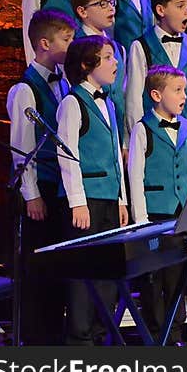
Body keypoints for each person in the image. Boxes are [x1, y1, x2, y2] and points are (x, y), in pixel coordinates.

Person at [6, 9, 75, 344]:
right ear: (45, 43)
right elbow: (22, 147)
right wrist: (31, 194)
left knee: (55, 270)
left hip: (58, 185)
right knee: (36, 271)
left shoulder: (63, 82)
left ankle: (55, 337)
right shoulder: (25, 90)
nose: (71, 45)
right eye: (66, 39)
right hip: (40, 188)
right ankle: (35, 343)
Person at [57, 35, 129, 345]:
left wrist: (122, 199)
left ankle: (103, 337)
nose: (115, 64)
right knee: (83, 277)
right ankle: (81, 341)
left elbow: (114, 153)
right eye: (109, 57)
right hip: (86, 202)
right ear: (88, 65)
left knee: (107, 275)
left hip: (109, 199)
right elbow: (67, 154)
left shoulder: (109, 103)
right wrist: (78, 202)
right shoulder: (73, 103)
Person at [127, 65, 187, 344]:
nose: (184, 96)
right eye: (178, 90)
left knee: (176, 279)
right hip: (155, 215)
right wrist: (141, 220)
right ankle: (155, 335)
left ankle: (175, 335)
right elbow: (135, 176)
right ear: (157, 95)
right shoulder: (142, 129)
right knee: (154, 280)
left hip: (182, 215)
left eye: (185, 90)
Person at [125, 0, 187, 165]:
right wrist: (135, 141)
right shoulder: (141, 46)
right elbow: (134, 99)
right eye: (180, 6)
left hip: (186, 135)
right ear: (161, 10)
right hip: (154, 134)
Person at [70, 0, 128, 147]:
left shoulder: (118, 49)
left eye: (111, 2)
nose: (111, 9)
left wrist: (125, 141)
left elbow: (122, 93)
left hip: (115, 131)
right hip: (90, 132)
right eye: (102, 4)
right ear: (82, 11)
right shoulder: (76, 47)